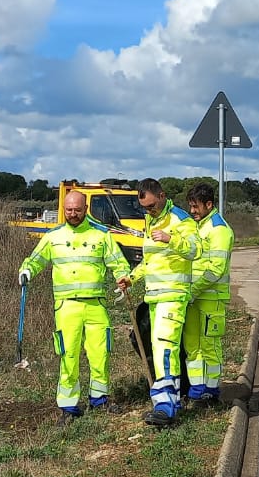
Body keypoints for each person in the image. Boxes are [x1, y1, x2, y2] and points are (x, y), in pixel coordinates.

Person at [18, 190, 132, 425]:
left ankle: (99, 399)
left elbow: (117, 262)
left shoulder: (101, 235)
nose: (72, 214)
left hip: (95, 305)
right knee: (68, 355)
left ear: (86, 208)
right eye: (68, 210)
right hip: (66, 307)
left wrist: (123, 279)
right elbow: (36, 259)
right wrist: (26, 270)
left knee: (100, 353)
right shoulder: (53, 236)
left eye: (77, 210)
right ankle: (69, 406)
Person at [116, 179, 200, 426]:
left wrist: (170, 239)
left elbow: (195, 250)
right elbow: (150, 261)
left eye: (152, 205)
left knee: (164, 347)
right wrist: (131, 278)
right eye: (145, 208)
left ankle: (165, 406)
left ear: (162, 195)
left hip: (174, 296)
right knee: (161, 349)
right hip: (154, 297)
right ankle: (170, 401)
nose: (149, 211)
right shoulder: (151, 221)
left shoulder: (180, 219)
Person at [183, 182, 233, 406]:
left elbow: (216, 269)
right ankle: (196, 388)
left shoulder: (219, 229)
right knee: (192, 344)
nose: (192, 211)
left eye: (196, 207)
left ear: (209, 204)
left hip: (211, 298)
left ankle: (212, 391)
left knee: (210, 346)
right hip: (193, 297)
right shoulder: (198, 225)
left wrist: (193, 290)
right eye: (190, 206)